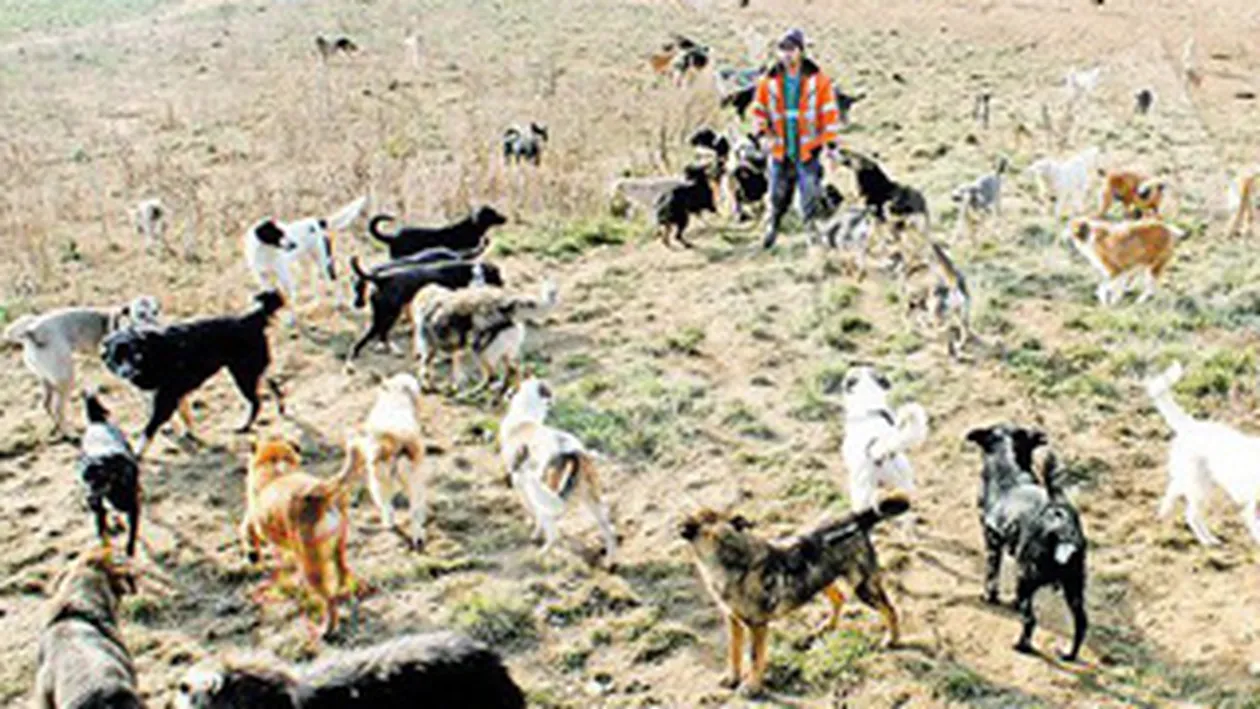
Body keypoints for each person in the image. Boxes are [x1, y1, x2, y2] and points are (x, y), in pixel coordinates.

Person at [751, 28, 842, 249]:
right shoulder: (768, 81)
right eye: (782, 49)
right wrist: (763, 134)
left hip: (808, 148)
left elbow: (828, 114)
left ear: (801, 51)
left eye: (791, 49)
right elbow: (759, 111)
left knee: (809, 194)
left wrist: (829, 146)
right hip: (779, 148)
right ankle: (771, 227)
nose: (786, 54)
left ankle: (811, 231)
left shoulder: (819, 81)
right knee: (775, 194)